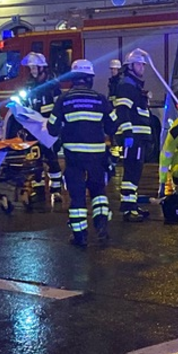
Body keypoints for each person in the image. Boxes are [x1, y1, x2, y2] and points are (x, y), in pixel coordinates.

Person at [47, 59, 116, 247]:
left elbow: (52, 129)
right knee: (98, 192)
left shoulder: (64, 99)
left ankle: (80, 237)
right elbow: (113, 125)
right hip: (97, 157)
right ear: (90, 79)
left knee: (77, 196)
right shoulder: (100, 98)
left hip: (74, 158)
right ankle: (102, 227)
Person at [113, 48, 153, 222]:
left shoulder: (133, 85)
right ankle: (128, 209)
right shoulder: (127, 85)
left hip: (139, 136)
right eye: (139, 64)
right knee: (131, 172)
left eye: (143, 64)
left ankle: (132, 204)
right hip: (134, 137)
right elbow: (122, 110)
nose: (142, 67)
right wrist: (128, 133)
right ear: (131, 66)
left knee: (135, 172)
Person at [18, 52, 64, 205]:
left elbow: (59, 107)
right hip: (33, 129)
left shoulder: (53, 85)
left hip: (48, 128)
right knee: (35, 158)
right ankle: (38, 188)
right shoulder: (29, 85)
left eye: (34, 67)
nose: (32, 70)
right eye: (30, 68)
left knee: (51, 158)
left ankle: (56, 189)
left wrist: (57, 127)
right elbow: (25, 105)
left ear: (42, 67)